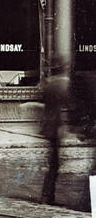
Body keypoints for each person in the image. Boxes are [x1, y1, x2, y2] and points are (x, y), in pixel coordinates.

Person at [40, 72, 67, 205]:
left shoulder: (51, 85)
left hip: (51, 128)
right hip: (54, 128)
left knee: (54, 162)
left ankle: (47, 195)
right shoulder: (59, 85)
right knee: (54, 163)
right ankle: (47, 195)